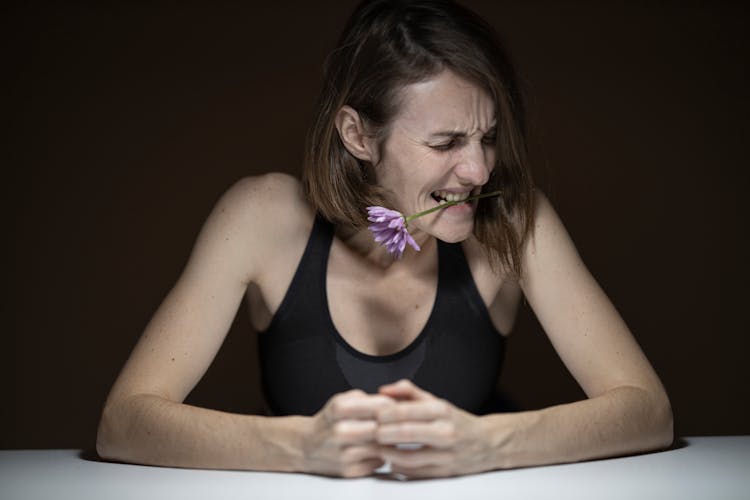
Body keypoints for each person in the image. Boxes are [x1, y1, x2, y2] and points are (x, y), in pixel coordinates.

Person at [96, 0, 673, 479]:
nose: (479, 171)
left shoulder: (517, 219)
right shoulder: (261, 217)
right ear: (357, 135)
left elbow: (649, 412)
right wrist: (301, 448)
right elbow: (122, 424)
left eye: (489, 136)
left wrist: (487, 445)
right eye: (446, 143)